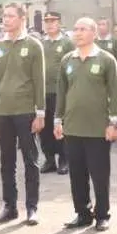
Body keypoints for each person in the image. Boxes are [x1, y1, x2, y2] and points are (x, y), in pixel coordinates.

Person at [55, 17, 117, 232]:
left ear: (94, 33)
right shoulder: (67, 60)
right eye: (75, 29)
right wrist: (58, 119)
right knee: (77, 174)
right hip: (73, 127)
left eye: (83, 29)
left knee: (100, 174)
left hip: (97, 128)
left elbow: (114, 93)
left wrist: (113, 121)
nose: (78, 33)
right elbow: (62, 93)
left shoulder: (106, 60)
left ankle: (102, 214)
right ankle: (82, 213)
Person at [0, 3, 46, 226]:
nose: (6, 19)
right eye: (4, 16)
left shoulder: (33, 46)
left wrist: (40, 112)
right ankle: (9, 206)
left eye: (10, 16)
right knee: (6, 161)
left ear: (22, 19)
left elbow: (39, 81)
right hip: (3, 111)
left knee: (30, 160)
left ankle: (32, 207)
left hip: (26, 111)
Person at [40, 12, 73, 173]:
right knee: (44, 128)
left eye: (53, 21)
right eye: (47, 21)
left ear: (59, 23)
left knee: (59, 126)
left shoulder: (67, 43)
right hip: (43, 92)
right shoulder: (41, 43)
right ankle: (49, 159)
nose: (49, 24)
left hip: (61, 92)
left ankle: (64, 159)